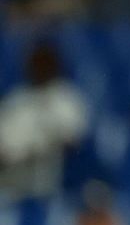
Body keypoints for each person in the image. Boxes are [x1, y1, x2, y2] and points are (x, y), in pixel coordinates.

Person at [0, 41, 90, 197]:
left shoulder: (67, 98)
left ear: (54, 66)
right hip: (12, 175)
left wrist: (38, 146)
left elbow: (73, 140)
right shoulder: (17, 98)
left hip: (52, 175)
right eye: (36, 64)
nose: (40, 69)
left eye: (44, 63)